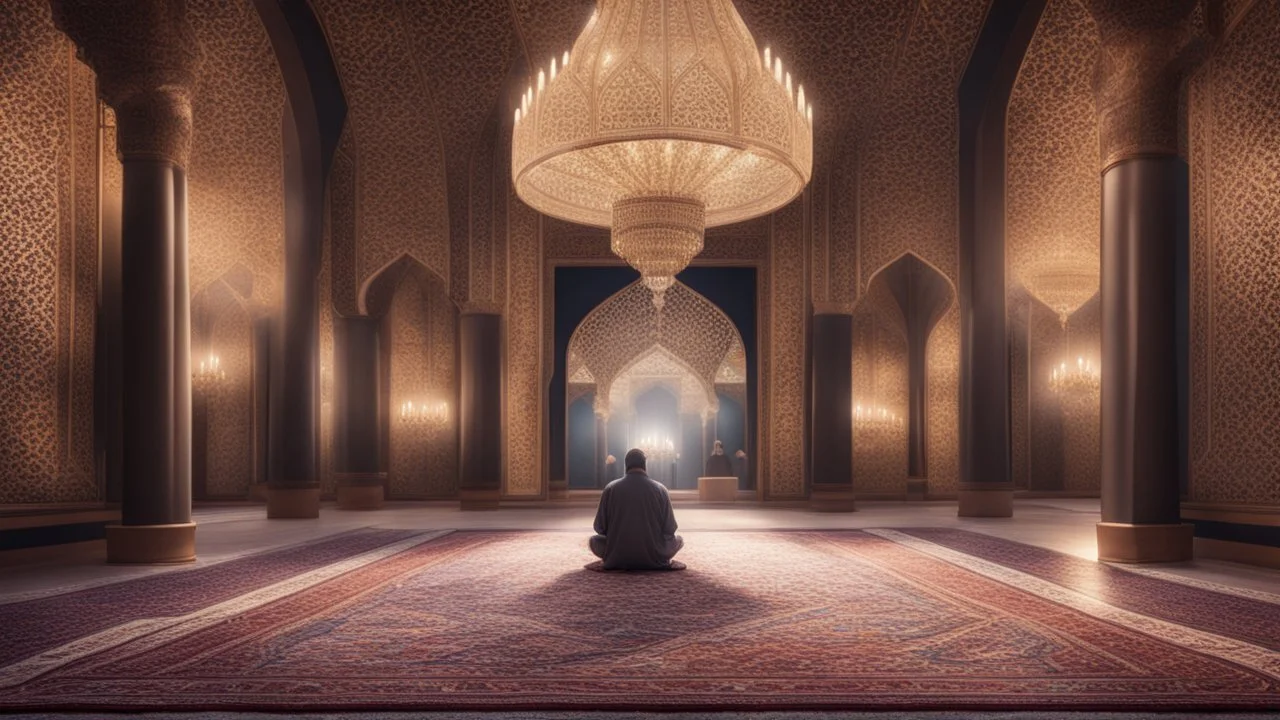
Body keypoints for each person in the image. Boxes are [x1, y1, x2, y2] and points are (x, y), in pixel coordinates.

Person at [589, 448, 684, 570]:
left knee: (593, 541)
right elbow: (670, 528)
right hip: (654, 555)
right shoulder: (661, 489)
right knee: (679, 540)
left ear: (626, 466)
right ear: (645, 465)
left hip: (617, 555)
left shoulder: (610, 489)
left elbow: (599, 527)